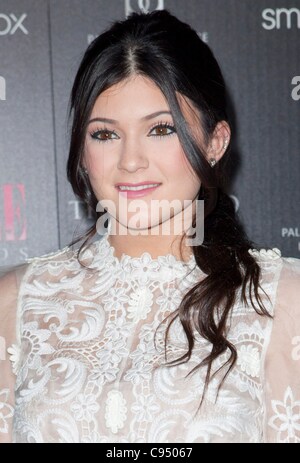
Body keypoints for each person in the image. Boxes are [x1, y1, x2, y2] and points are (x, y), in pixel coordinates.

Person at [0, 10, 299, 444]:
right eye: (105, 134)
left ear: (215, 142)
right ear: (81, 150)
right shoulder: (16, 300)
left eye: (160, 129)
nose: (131, 161)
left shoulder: (281, 300)